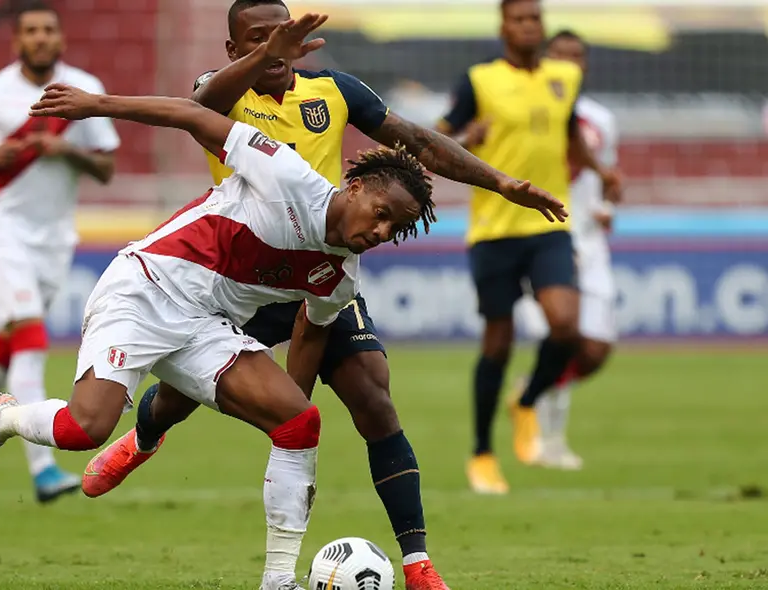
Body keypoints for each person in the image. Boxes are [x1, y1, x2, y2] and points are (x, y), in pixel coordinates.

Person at [80, 2, 565, 589]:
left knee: (375, 400)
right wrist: (268, 55)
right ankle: (143, 437)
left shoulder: (333, 91)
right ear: (234, 49)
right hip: (242, 276)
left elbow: (416, 141)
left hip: (320, 271)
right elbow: (197, 110)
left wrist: (501, 181)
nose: (274, 45)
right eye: (257, 38)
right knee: (176, 402)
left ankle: (417, 562)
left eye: (281, 33)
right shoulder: (223, 88)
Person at [0, 85, 437, 590]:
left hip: (205, 325)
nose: (381, 232)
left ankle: (277, 580)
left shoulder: (341, 278)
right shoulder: (287, 175)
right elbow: (189, 113)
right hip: (144, 290)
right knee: (83, 430)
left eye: (394, 229)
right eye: (381, 213)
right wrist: (96, 105)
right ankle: (3, 417)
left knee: (301, 424)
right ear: (355, 188)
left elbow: (308, 336)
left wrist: (284, 413)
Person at [436, 0, 622, 495]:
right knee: (497, 343)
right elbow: (436, 138)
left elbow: (569, 135)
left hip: (549, 223)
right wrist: (468, 138)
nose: (529, 26)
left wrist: (601, 172)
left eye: (535, 18)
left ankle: (527, 400)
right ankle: (482, 452)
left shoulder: (564, 77)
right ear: (504, 27)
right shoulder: (479, 81)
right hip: (494, 229)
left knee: (565, 325)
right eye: (520, 19)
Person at [0, 1, 120, 502]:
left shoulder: (84, 89)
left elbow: (106, 168)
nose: (40, 38)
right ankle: (43, 469)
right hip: (1, 231)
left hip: (54, 240)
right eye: (31, 31)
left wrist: (68, 150)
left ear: (60, 38)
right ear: (17, 40)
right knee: (31, 336)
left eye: (48, 30)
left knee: (10, 342)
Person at [515, 30, 621, 470]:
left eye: (577, 56)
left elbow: (607, 177)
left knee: (596, 349)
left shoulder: (601, 119)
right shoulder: (526, 108)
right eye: (560, 55)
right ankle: (550, 442)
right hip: (547, 239)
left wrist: (607, 209)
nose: (570, 63)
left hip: (591, 244)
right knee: (563, 337)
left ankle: (529, 390)